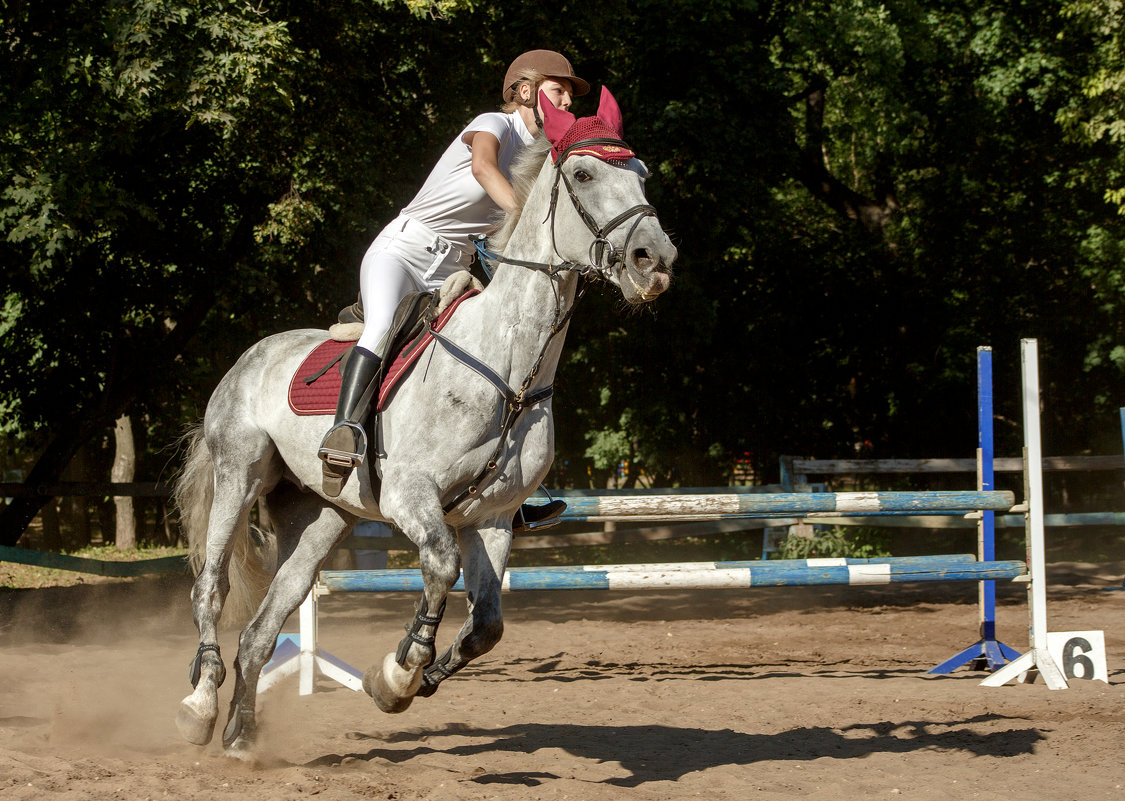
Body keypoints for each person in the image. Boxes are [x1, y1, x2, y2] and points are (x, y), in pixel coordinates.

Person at [318, 50, 587, 532]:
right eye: (558, 88)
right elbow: (484, 169)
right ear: (525, 91)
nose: (566, 97)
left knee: (496, 352)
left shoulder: (544, 153)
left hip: (454, 269)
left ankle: (509, 488)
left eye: (569, 92)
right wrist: (530, 220)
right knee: (380, 328)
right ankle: (344, 432)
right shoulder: (493, 124)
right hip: (403, 253)